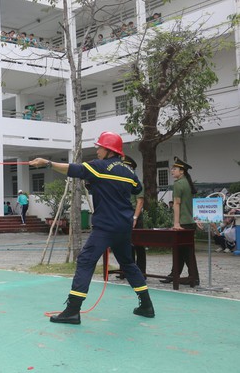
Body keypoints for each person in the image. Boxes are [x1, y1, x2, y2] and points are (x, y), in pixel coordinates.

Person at [29, 131, 154, 324]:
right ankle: (146, 305)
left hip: (105, 227)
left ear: (109, 149)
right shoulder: (129, 171)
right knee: (128, 264)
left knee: (86, 260)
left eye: (99, 147)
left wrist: (47, 163)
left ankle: (72, 310)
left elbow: (72, 169)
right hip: (124, 227)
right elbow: (136, 189)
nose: (97, 150)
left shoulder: (99, 167)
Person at [161, 157, 200, 285]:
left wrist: (176, 223)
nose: (172, 171)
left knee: (185, 252)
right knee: (182, 251)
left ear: (182, 171)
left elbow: (176, 204)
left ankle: (193, 277)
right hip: (190, 222)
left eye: (175, 169)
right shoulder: (187, 183)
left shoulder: (178, 184)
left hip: (183, 222)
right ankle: (176, 275)